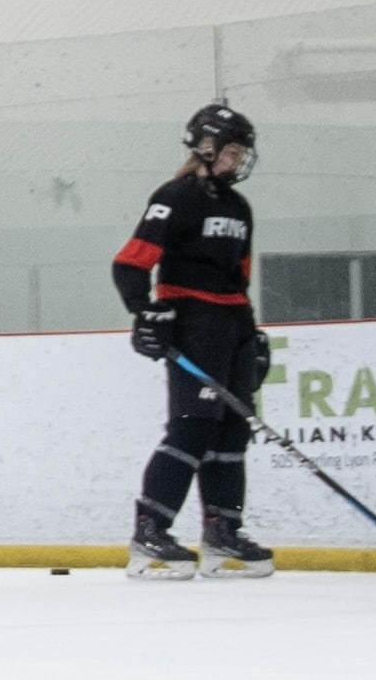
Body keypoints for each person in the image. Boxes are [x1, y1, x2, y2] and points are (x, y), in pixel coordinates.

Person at [114, 103, 273, 577]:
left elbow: (239, 279)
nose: (237, 160)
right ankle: (151, 532)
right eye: (230, 151)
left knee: (232, 429)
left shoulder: (239, 208)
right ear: (205, 147)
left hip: (233, 327)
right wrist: (145, 311)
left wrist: (252, 335)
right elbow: (130, 263)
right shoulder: (175, 197)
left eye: (242, 152)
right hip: (195, 324)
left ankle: (222, 532)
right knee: (193, 427)